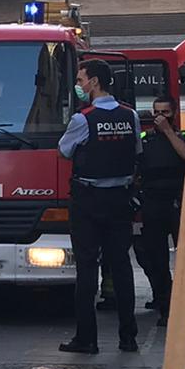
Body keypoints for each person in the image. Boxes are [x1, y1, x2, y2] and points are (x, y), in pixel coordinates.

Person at [58, 59, 141, 354]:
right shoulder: (130, 116)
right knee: (121, 267)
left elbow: (64, 150)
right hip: (120, 199)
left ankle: (87, 338)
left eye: (81, 81)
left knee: (87, 268)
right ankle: (128, 337)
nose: (79, 86)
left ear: (94, 82)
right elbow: (136, 152)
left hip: (88, 201)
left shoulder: (83, 119)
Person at [136, 93, 185, 327]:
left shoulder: (184, 136)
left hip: (177, 203)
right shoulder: (144, 138)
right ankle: (165, 305)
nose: (160, 117)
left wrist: (169, 132)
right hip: (152, 203)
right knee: (155, 258)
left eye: (165, 112)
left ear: (174, 114)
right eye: (156, 112)